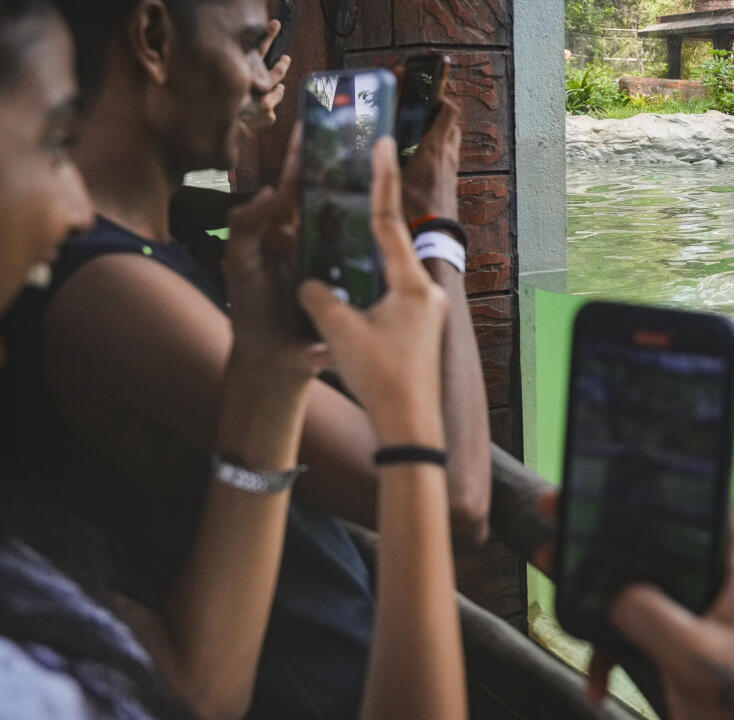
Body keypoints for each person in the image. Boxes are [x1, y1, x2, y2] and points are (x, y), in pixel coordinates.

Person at [0, 0, 490, 716]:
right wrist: (435, 231)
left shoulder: (158, 248)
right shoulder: (112, 289)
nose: (267, 84)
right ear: (153, 38)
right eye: (250, 48)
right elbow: (455, 498)